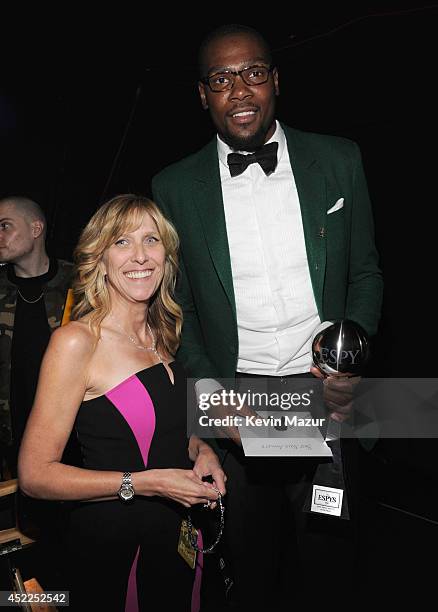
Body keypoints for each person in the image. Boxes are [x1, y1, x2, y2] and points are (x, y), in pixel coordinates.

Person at [152, 24, 383, 610]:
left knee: (331, 566)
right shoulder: (173, 187)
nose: (241, 90)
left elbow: (365, 274)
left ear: (276, 80)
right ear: (202, 95)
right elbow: (180, 312)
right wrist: (216, 399)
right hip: (241, 404)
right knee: (250, 574)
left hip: (322, 398)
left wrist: (348, 354)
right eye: (221, 79)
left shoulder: (339, 158)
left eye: (254, 72)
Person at [18, 194, 226, 612]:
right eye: (122, 242)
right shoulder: (77, 341)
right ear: (100, 257)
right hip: (114, 548)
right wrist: (144, 482)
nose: (140, 256)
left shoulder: (161, 334)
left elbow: (168, 430)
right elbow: (35, 476)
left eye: (151, 240)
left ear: (167, 257)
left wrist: (202, 450)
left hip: (177, 535)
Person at [0, 196, 73, 478]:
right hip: (13, 435)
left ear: (36, 228)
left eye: (5, 226)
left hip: (76, 434)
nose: (0, 235)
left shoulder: (79, 282)